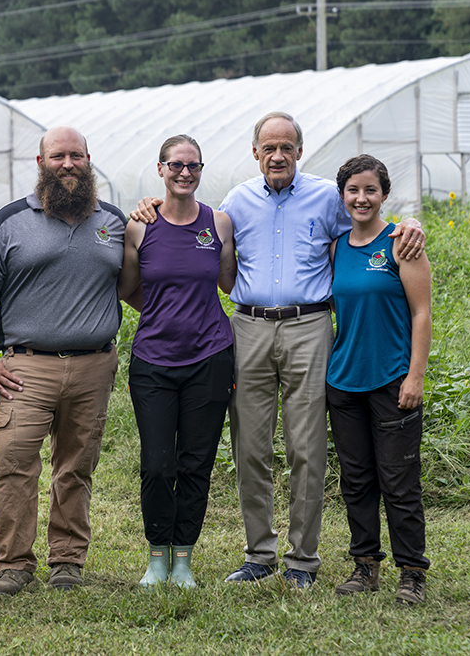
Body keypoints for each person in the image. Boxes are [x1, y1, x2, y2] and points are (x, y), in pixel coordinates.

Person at [133, 111, 425, 589]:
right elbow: (190, 225)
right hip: (247, 327)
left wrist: (408, 222)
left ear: (299, 151)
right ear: (255, 153)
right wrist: (147, 206)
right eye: (268, 147)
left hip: (309, 326)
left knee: (306, 446)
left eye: (286, 147)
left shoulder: (326, 197)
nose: (277, 155)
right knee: (250, 446)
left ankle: (302, 560)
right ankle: (259, 553)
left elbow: (365, 222)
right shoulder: (234, 204)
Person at [0, 125, 126, 597]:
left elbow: (135, 282)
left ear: (89, 160)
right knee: (13, 461)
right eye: (58, 156)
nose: (68, 164)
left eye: (76, 156)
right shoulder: (8, 222)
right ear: (40, 163)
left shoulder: (113, 222)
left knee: (76, 466)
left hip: (94, 364)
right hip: (25, 367)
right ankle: (13, 564)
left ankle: (68, 561)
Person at [116, 135, 236, 589]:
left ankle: (182, 558)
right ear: (161, 169)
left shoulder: (219, 224)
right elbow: (128, 289)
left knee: (195, 462)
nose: (185, 172)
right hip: (154, 362)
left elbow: (227, 284)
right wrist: (167, 313)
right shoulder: (139, 227)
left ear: (201, 170)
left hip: (210, 358)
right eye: (176, 165)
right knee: (157, 464)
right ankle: (156, 557)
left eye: (193, 165)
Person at [327, 155, 431, 605]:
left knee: (399, 481)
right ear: (343, 196)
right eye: (353, 190)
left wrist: (415, 376)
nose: (361, 198)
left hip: (392, 380)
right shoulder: (335, 248)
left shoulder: (401, 243)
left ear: (384, 195)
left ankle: (412, 573)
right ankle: (365, 565)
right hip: (344, 382)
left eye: (370, 190)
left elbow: (422, 313)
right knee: (357, 479)